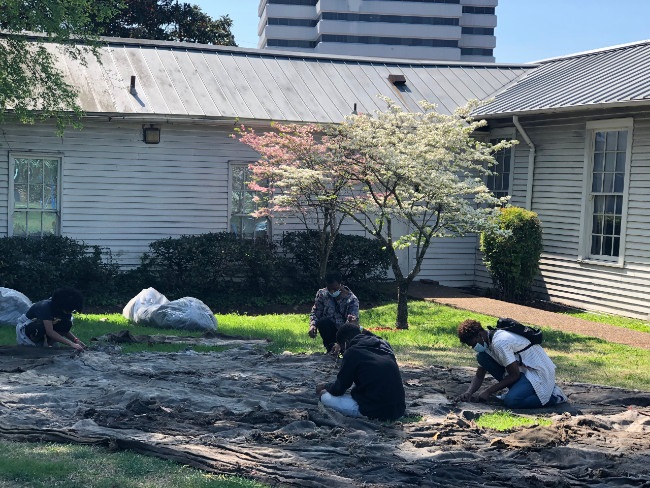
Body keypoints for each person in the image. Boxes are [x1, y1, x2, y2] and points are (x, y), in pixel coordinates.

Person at [455, 319, 568, 408]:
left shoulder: (499, 343)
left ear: (480, 335)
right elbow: (480, 374)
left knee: (512, 401)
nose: (474, 347)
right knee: (482, 357)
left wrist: (488, 391)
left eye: (473, 344)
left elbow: (515, 375)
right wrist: (469, 392)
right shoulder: (488, 343)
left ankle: (554, 396)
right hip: (523, 370)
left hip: (537, 372)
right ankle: (518, 390)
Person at [316, 323, 406, 421]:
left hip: (375, 411)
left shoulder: (351, 352)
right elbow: (373, 336)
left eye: (342, 348)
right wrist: (359, 327)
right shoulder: (384, 344)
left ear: (346, 343)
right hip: (398, 409)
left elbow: (338, 389)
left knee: (324, 396)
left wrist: (326, 386)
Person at [16, 287, 86, 351]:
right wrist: (71, 344)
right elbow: (50, 332)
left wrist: (76, 340)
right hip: (27, 329)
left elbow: (65, 330)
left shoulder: (65, 311)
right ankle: (37, 345)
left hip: (46, 329)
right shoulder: (44, 307)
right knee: (40, 326)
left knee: (66, 324)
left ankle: (49, 345)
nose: (70, 312)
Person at [308, 271, 359, 354]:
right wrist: (313, 325)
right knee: (323, 322)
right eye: (329, 289)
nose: (332, 292)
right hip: (330, 331)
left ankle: (343, 351)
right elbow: (316, 312)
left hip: (345, 333)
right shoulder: (322, 294)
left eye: (335, 289)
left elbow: (351, 323)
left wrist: (340, 343)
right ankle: (330, 350)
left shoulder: (352, 300)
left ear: (340, 285)